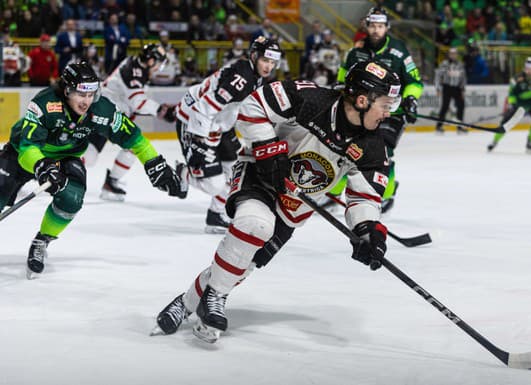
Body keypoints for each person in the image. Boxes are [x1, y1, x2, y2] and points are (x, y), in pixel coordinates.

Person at [152, 60, 401, 343]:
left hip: (296, 205)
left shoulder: (372, 146)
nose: (388, 112)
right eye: (385, 103)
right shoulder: (312, 100)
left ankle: (185, 303)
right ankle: (216, 296)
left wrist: (367, 231)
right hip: (260, 174)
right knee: (254, 225)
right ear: (361, 100)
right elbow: (252, 105)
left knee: (244, 260)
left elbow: (363, 196)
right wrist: (269, 150)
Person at [0, 62, 182, 279]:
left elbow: (134, 138)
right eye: (80, 94)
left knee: (72, 198)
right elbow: (28, 148)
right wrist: (42, 166)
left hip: (66, 157)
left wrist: (155, 163)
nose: (86, 101)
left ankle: (42, 241)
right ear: (67, 89)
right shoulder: (45, 103)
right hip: (23, 155)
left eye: (91, 94)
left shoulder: (101, 109)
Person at [173, 36, 282, 233]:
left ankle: (216, 215)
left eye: (273, 62)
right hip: (194, 121)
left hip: (218, 124)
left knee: (235, 169)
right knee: (213, 185)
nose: (269, 67)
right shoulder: (241, 78)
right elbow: (205, 107)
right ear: (254, 56)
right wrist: (200, 138)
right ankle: (182, 173)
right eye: (266, 60)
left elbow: (231, 108)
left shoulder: (253, 75)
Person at [335, 7, 423, 212]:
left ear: (387, 27)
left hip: (391, 111)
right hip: (361, 111)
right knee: (346, 148)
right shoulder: (355, 51)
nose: (376, 30)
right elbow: (341, 79)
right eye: (373, 25)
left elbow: (415, 81)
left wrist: (410, 99)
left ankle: (386, 192)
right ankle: (334, 191)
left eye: (380, 26)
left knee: (383, 151)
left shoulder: (399, 51)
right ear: (367, 26)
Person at [81, 44, 178, 201]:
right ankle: (49, 163)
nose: (159, 69)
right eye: (159, 65)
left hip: (109, 114)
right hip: (103, 112)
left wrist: (159, 110)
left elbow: (132, 102)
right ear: (151, 60)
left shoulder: (137, 68)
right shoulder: (133, 70)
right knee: (95, 154)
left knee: (95, 155)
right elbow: (137, 101)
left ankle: (110, 182)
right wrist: (161, 110)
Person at [487, 58, 531, 154]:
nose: (529, 71)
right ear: (524, 69)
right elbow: (511, 93)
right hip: (519, 105)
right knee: (505, 124)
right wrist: (512, 103)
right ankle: (494, 141)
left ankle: (530, 142)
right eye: (527, 69)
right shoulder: (516, 79)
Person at [434, 47, 466, 134]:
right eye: (452, 54)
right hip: (447, 87)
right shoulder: (444, 64)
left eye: (455, 54)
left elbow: (463, 78)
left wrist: (463, 89)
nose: (453, 55)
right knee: (444, 107)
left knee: (461, 106)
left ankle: (460, 127)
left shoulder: (460, 64)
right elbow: (438, 76)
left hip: (457, 88)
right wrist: (438, 88)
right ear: (449, 55)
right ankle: (439, 126)